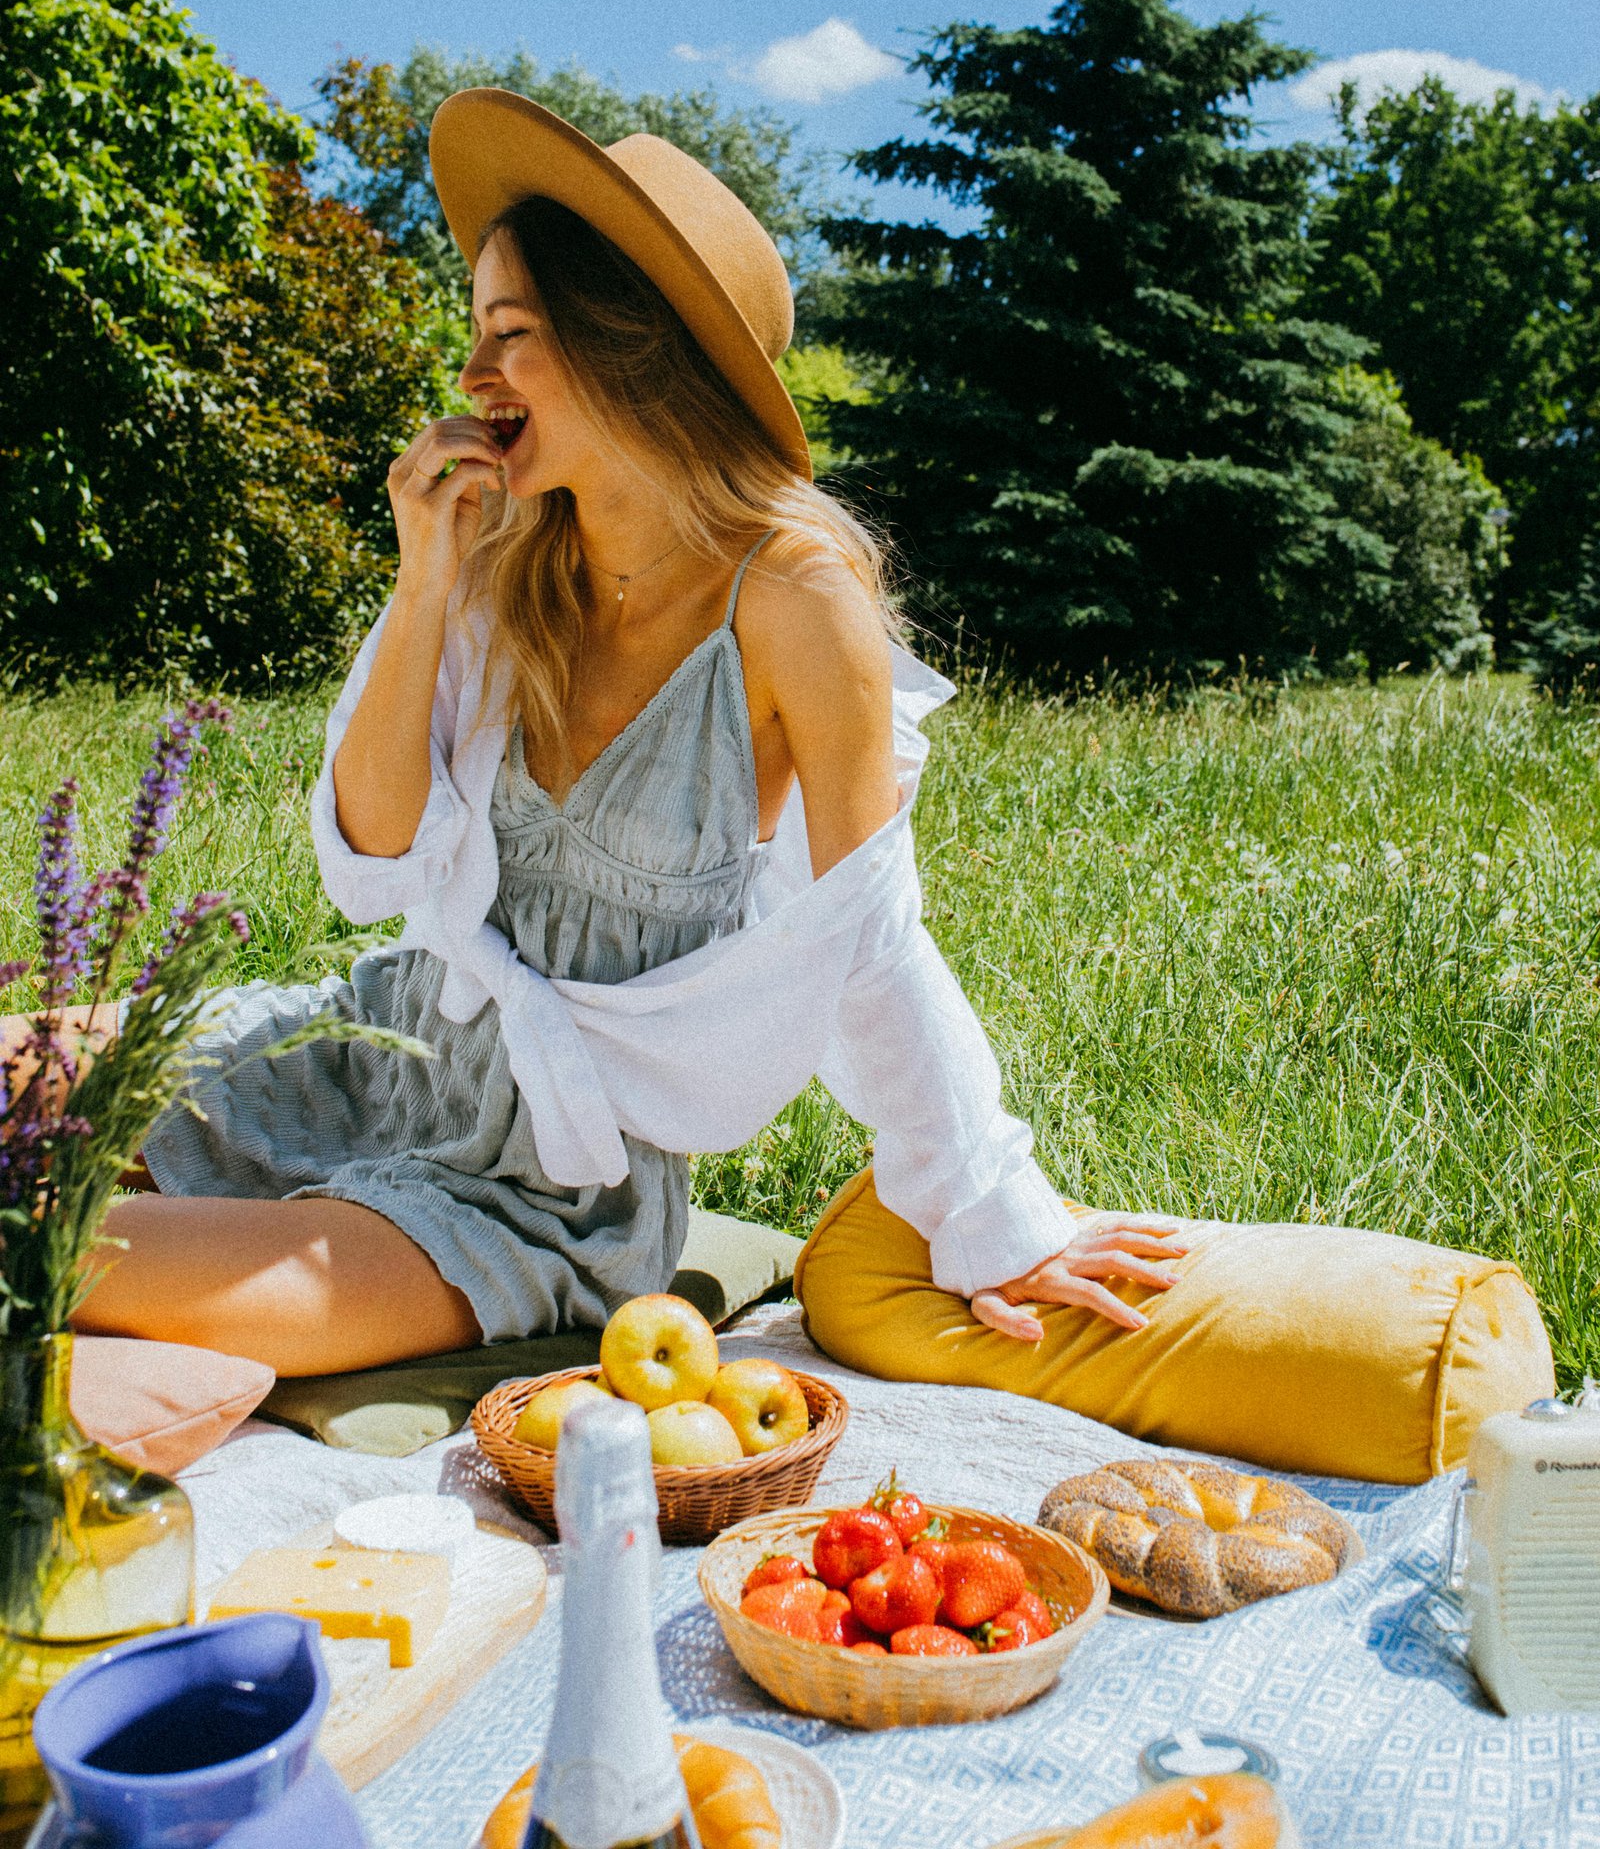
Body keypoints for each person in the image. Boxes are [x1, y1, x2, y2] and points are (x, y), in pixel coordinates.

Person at [72, 91, 1184, 1378]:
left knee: (57, 1247)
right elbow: (372, 857)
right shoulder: (504, 566)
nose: (472, 379)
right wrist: (424, 581)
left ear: (627, 349)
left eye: (510, 336)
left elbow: (866, 937)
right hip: (370, 1052)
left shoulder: (791, 598)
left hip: (538, 1186)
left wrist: (991, 1215)